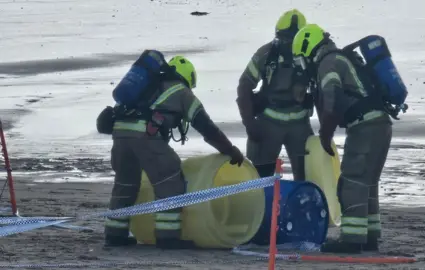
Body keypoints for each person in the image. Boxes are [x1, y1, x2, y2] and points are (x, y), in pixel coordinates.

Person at [103, 54, 244, 249]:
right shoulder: (182, 92)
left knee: (125, 184)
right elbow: (205, 126)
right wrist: (230, 150)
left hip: (120, 135)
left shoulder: (145, 88)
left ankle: (114, 234)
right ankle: (168, 237)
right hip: (144, 136)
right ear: (188, 78)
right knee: (169, 179)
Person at [291, 24, 393, 253]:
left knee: (351, 182)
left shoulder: (329, 63)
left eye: (300, 59)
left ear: (308, 49)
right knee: (368, 183)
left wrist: (325, 134)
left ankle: (352, 239)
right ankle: (369, 237)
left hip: (365, 126)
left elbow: (332, 99)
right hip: (380, 124)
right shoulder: (341, 59)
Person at [236, 9, 315, 180]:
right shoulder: (265, 54)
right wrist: (250, 125)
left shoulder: (310, 55)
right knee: (259, 177)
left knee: (307, 176)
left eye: (292, 39)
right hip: (268, 124)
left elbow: (325, 90)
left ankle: (303, 204)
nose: (288, 43)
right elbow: (244, 87)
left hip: (300, 124)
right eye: (284, 38)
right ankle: (260, 205)